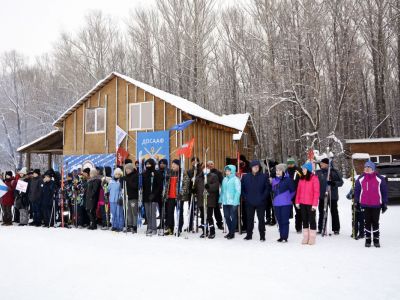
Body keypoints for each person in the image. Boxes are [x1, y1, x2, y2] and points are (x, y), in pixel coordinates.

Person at [354, 161, 388, 248]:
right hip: (365, 204)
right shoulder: (361, 178)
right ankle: (368, 239)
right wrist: (356, 201)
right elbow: (357, 191)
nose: (367, 169)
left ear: (373, 169)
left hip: (376, 205)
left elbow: (384, 192)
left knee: (375, 222)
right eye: (365, 167)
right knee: (367, 222)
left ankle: (376, 239)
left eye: (369, 168)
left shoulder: (379, 178)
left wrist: (384, 203)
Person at [241, 160, 271, 242]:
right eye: (254, 166)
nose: (256, 168)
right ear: (251, 167)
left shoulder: (264, 176)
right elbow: (242, 188)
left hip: (261, 202)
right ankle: (249, 234)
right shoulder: (245, 177)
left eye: (257, 166)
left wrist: (263, 197)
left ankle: (262, 235)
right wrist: (245, 197)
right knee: (249, 219)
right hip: (249, 202)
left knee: (261, 219)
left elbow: (267, 188)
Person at [316, 158, 343, 235]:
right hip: (322, 196)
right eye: (320, 163)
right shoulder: (318, 172)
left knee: (334, 212)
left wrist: (333, 183)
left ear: (327, 164)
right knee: (322, 212)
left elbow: (341, 182)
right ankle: (321, 228)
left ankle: (336, 228)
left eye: (323, 163)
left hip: (332, 196)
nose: (321, 164)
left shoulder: (334, 172)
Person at [295, 162, 320, 245]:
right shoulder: (301, 178)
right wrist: (297, 202)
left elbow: (316, 192)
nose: (302, 170)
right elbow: (298, 191)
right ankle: (306, 237)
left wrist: (314, 204)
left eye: (304, 169)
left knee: (312, 220)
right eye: (302, 169)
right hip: (302, 203)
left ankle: (312, 237)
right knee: (304, 220)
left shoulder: (314, 178)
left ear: (308, 170)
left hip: (310, 203)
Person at [194, 163, 220, 239]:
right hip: (201, 199)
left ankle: (212, 231)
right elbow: (196, 186)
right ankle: (204, 231)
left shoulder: (213, 176)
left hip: (210, 199)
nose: (205, 169)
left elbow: (216, 186)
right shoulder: (199, 177)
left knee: (209, 216)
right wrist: (193, 189)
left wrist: (209, 186)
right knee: (202, 216)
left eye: (207, 168)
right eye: (204, 168)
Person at [272, 164, 295, 242]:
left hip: (285, 204)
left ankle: (285, 237)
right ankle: (281, 236)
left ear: (283, 171)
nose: (277, 172)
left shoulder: (288, 179)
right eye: (277, 170)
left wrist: (287, 198)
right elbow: (273, 191)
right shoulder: (274, 180)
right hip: (276, 204)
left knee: (285, 220)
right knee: (279, 220)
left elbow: (293, 191)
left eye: (279, 170)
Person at [219, 165, 241, 239]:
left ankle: (232, 233)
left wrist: (235, 202)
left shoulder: (236, 179)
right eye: (226, 171)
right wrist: (220, 200)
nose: (227, 172)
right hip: (225, 202)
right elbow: (222, 191)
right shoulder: (224, 179)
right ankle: (230, 231)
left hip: (233, 202)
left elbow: (238, 191)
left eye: (228, 171)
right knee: (226, 216)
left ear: (232, 171)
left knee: (233, 217)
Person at [142, 159, 163, 235]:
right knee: (147, 213)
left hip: (154, 196)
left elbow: (159, 186)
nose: (148, 166)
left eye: (149, 164)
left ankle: (154, 228)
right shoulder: (144, 174)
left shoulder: (156, 173)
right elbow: (143, 186)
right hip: (146, 196)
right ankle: (149, 227)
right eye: (146, 164)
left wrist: (154, 194)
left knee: (152, 213)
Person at [164, 159, 183, 235]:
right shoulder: (169, 173)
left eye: (174, 164)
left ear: (178, 165)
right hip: (170, 197)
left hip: (178, 197)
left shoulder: (182, 173)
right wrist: (165, 194)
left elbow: (185, 184)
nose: (173, 166)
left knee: (179, 213)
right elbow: (166, 185)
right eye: (172, 164)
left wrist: (181, 194)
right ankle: (170, 228)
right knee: (169, 213)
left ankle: (179, 228)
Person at [286, 157, 303, 233]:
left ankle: (298, 227)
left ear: (294, 163)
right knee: (286, 211)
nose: (290, 165)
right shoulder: (286, 171)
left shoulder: (298, 170)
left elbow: (303, 179)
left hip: (297, 194)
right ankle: (285, 227)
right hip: (288, 194)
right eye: (288, 163)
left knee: (298, 211)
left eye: (291, 163)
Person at [207, 160, 224, 230]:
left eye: (212, 164)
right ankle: (209, 224)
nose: (210, 165)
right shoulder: (206, 172)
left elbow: (222, 182)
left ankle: (220, 223)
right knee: (209, 211)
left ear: (213, 165)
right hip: (208, 194)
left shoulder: (218, 172)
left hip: (216, 193)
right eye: (209, 164)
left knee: (217, 209)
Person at [124, 163, 139, 233]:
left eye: (128, 169)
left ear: (131, 169)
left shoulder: (135, 175)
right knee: (129, 212)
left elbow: (135, 186)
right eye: (126, 169)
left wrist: (128, 181)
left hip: (133, 197)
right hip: (128, 197)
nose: (127, 170)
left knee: (134, 212)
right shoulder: (126, 176)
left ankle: (134, 226)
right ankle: (129, 225)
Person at [108, 168, 124, 232]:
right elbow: (108, 189)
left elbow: (122, 190)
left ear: (120, 174)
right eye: (116, 174)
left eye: (118, 174)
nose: (117, 175)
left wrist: (121, 198)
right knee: (113, 213)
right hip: (112, 199)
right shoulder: (111, 181)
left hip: (118, 199)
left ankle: (120, 226)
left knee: (119, 213)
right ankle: (114, 225)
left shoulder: (121, 181)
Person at [265, 159, 278, 226]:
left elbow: (277, 179)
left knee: (273, 205)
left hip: (273, 190)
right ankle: (268, 218)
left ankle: (274, 219)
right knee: (267, 205)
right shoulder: (267, 170)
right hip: (267, 189)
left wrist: (272, 180)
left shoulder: (275, 170)